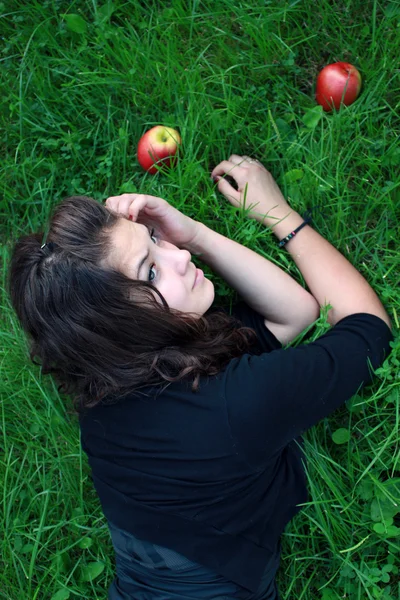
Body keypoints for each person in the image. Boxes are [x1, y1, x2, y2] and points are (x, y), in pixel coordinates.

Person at [8, 155, 393, 600]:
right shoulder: (237, 403)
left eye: (156, 238)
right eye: (149, 271)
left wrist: (193, 232)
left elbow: (296, 315)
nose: (180, 255)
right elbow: (368, 328)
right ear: (115, 324)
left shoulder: (107, 383)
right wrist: (280, 215)